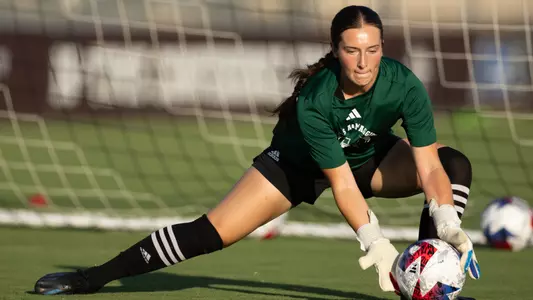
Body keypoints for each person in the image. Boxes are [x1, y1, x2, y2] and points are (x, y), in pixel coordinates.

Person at [33, 5, 480, 298]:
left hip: (368, 157)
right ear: (336, 51)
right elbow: (341, 184)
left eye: (373, 49)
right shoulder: (315, 102)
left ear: (383, 47)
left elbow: (427, 165)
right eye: (352, 51)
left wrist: (445, 218)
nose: (364, 63)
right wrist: (375, 241)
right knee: (211, 233)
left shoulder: (402, 83)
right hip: (299, 166)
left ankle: (425, 280)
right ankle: (94, 277)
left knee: (453, 163)